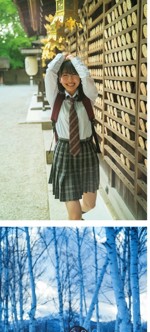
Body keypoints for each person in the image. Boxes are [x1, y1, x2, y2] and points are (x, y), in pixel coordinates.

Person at [45, 53, 99, 220]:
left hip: (86, 150)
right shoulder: (55, 98)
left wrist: (75, 60)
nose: (70, 79)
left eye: (74, 74)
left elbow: (86, 76)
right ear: (60, 79)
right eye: (65, 75)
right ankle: (75, 218)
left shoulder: (89, 97)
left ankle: (77, 214)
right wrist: (62, 56)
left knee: (90, 204)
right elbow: (49, 73)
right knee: (74, 217)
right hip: (64, 151)